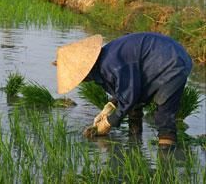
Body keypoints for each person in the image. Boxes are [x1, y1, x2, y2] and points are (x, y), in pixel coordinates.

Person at [55, 32, 193, 149]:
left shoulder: (110, 66)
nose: (81, 81)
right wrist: (110, 106)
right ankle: (135, 144)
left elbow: (129, 97)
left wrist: (108, 122)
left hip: (171, 64)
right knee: (134, 107)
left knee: (164, 119)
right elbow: (127, 88)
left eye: (79, 77)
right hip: (165, 57)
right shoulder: (105, 60)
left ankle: (167, 164)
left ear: (85, 70)